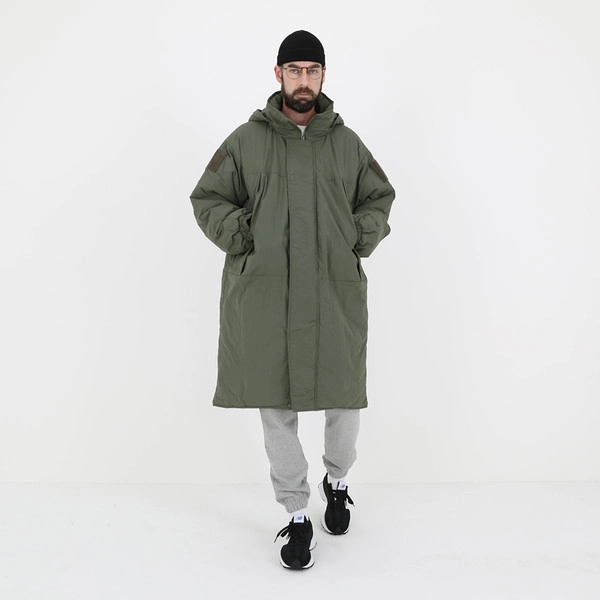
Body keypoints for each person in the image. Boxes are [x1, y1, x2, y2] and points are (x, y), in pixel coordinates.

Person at [189, 30, 395, 570]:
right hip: (267, 295)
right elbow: (207, 197)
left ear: (324, 76)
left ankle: (337, 481)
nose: (304, 80)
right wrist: (244, 235)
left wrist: (356, 237)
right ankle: (297, 513)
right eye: (295, 70)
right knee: (275, 404)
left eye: (312, 70)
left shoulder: (347, 144)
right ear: (278, 74)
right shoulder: (245, 141)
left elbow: (379, 196)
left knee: (344, 398)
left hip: (332, 292)